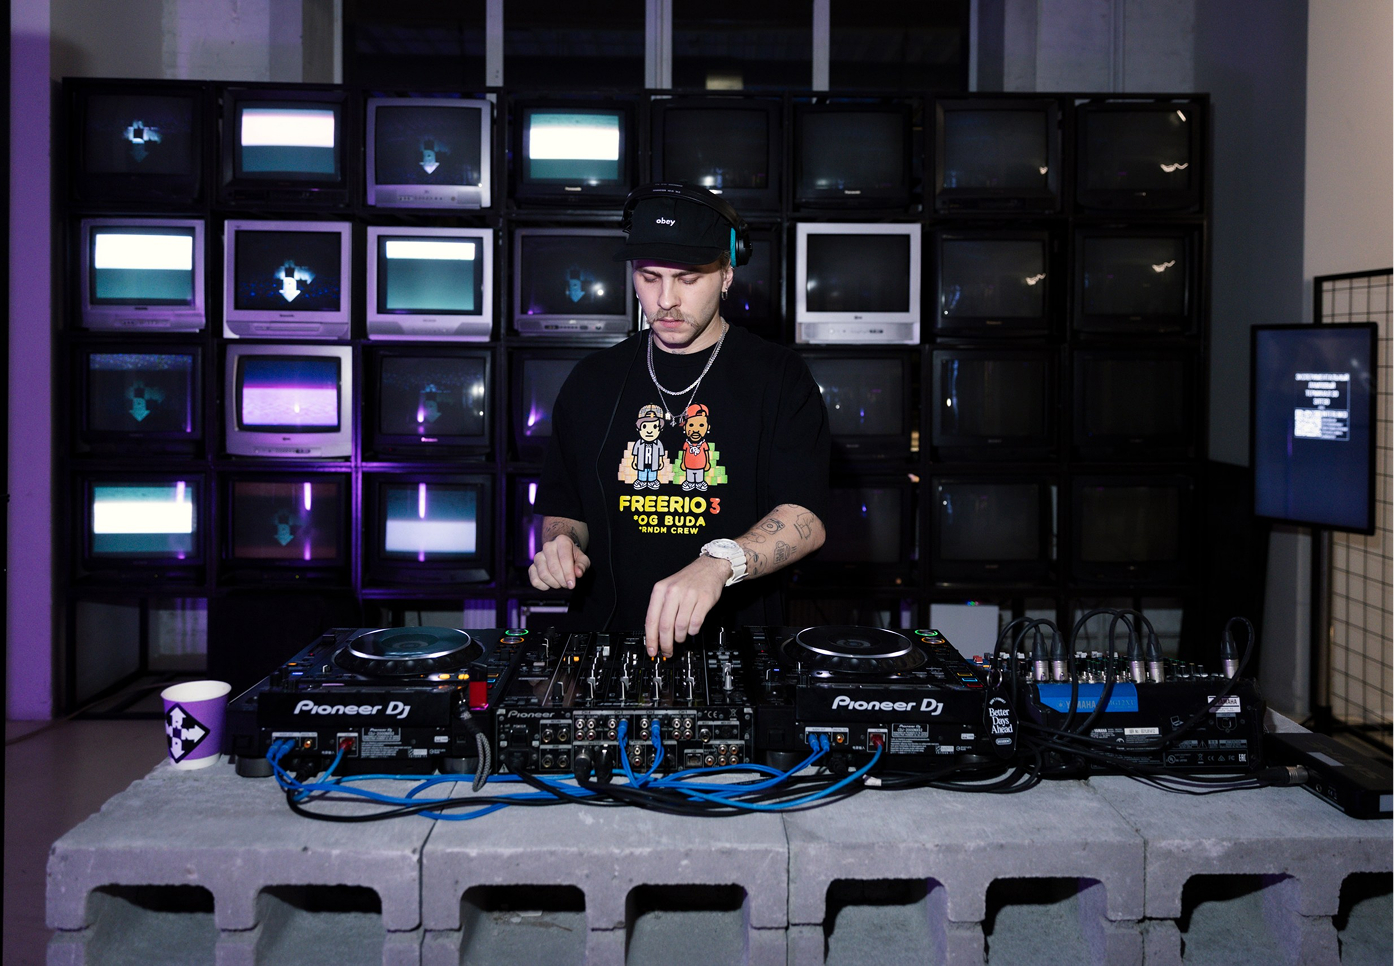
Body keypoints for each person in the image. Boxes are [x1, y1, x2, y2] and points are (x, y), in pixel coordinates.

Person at [529, 182, 831, 657]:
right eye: (649, 277)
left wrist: (719, 563)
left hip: (734, 649)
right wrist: (561, 545)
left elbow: (805, 519)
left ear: (727, 273)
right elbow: (566, 510)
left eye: (687, 279)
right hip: (604, 643)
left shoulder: (780, 377)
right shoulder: (591, 380)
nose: (665, 299)